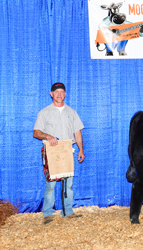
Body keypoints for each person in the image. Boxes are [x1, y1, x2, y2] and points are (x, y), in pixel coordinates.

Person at [33, 82, 85, 224]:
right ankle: (47, 214)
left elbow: (77, 132)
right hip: (52, 151)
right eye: (56, 92)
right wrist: (48, 136)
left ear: (65, 94)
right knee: (50, 184)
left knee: (68, 184)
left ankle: (67, 212)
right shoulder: (44, 112)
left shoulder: (71, 112)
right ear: (51, 94)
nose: (59, 94)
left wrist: (81, 150)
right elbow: (36, 132)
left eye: (62, 92)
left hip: (68, 149)